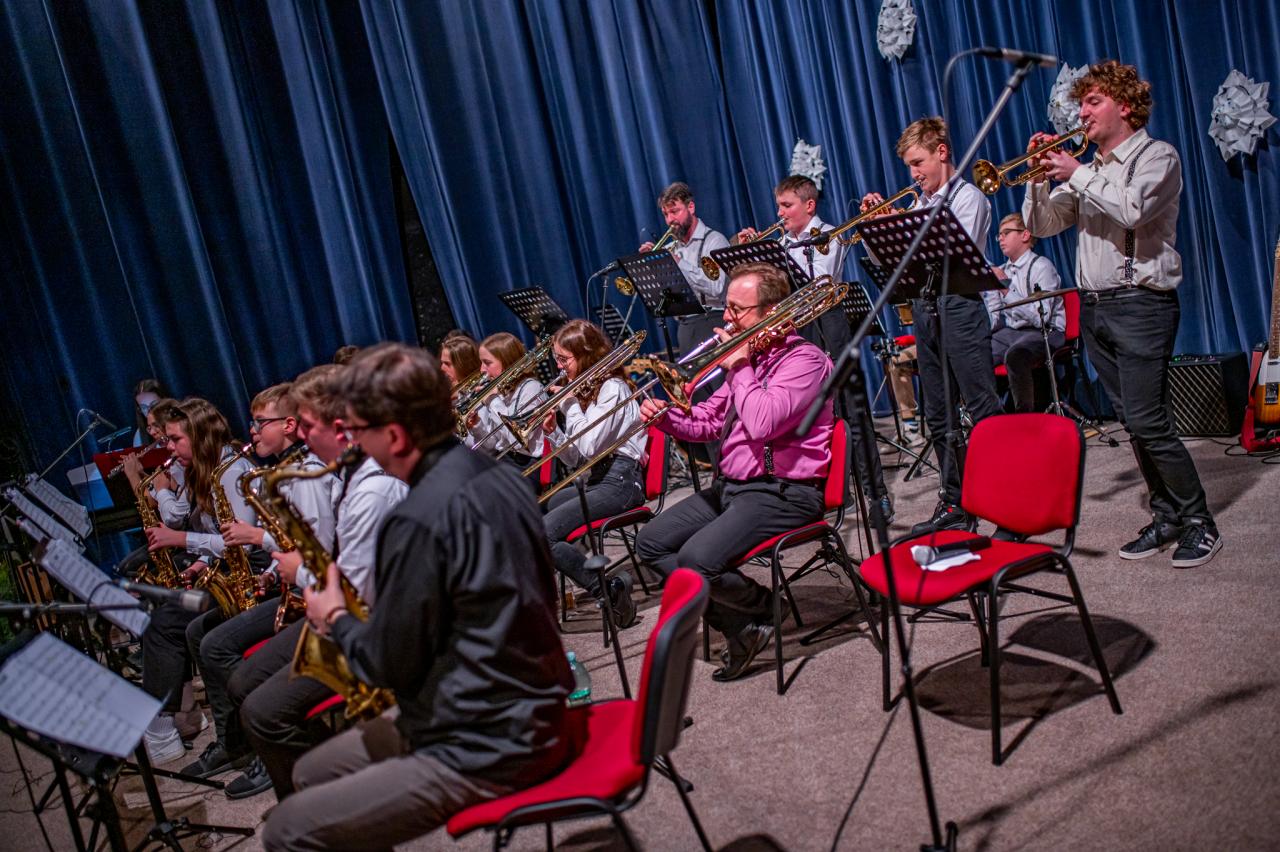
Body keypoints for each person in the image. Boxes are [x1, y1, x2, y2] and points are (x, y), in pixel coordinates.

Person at [261, 343, 576, 851]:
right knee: (310, 771)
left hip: (488, 742)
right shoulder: (498, 474)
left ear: (395, 435)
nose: (351, 440)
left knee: (286, 828)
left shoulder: (416, 519)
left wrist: (335, 614)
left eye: (358, 429)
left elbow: (383, 665)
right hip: (532, 705)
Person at [1023, 59, 1221, 568]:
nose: (1082, 114)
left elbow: (1132, 209)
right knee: (1132, 422)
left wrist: (1077, 173)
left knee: (1150, 420)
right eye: (1081, 104)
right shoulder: (1089, 171)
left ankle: (1199, 520)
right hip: (1096, 307)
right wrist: (1037, 180)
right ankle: (1166, 515)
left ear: (1125, 106)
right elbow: (1042, 226)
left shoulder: (1158, 156)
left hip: (1141, 305)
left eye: (1094, 102)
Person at [635, 262, 834, 682]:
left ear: (771, 312)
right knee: (651, 543)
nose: (726, 318)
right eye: (727, 306)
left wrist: (740, 367)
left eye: (736, 309)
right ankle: (742, 624)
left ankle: (765, 607)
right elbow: (708, 421)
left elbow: (762, 422)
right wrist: (665, 417)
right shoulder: (750, 358)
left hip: (783, 491)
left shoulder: (805, 361)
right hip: (732, 488)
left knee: (695, 560)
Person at [226, 364, 407, 800]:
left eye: (307, 427)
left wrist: (300, 572)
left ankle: (322, 805)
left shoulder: (373, 491)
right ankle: (326, 774)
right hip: (351, 611)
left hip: (374, 626)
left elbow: (356, 588)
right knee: (241, 684)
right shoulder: (349, 476)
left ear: (340, 428)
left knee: (262, 712)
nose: (302, 438)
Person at [178, 381, 337, 797]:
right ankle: (260, 741)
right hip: (296, 584)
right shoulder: (283, 473)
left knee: (219, 649)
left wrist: (261, 541)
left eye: (260, 422)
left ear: (290, 424)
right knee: (210, 644)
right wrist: (275, 565)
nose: (251, 430)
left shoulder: (306, 475)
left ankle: (276, 744)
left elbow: (319, 553)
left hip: (325, 599)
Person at [862, 116, 999, 533]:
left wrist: (903, 228)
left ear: (942, 152)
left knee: (982, 407)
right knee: (938, 413)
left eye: (918, 163)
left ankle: (1003, 497)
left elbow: (950, 254)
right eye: (909, 166)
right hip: (925, 307)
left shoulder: (968, 197)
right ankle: (955, 499)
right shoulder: (918, 205)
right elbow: (894, 260)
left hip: (960, 305)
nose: (914, 174)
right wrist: (876, 229)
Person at [742, 175, 892, 521]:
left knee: (851, 412)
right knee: (810, 414)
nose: (780, 213)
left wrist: (779, 260)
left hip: (829, 323)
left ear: (809, 205)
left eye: (787, 205)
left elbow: (819, 281)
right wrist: (757, 258)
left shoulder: (830, 236)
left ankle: (876, 494)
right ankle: (833, 490)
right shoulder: (780, 244)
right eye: (778, 206)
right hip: (799, 328)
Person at [138, 397, 258, 763]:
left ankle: (168, 726)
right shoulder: (203, 470)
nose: (170, 448)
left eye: (176, 439)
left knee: (171, 624)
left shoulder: (232, 472)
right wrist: (197, 566)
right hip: (223, 571)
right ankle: (224, 735)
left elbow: (243, 542)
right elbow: (215, 535)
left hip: (253, 573)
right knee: (176, 621)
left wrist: (181, 540)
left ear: (200, 436)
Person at [540, 319, 644, 628]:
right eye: (556, 358)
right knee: (545, 506)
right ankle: (582, 577)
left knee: (543, 534)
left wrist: (569, 405)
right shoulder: (590, 390)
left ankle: (608, 591)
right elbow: (577, 458)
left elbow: (588, 445)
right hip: (599, 477)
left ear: (585, 355)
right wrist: (555, 433)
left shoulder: (613, 388)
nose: (559, 367)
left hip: (622, 481)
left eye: (564, 359)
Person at [639, 182, 731, 357]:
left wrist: (678, 263)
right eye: (666, 214)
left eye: (675, 212)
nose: (670, 220)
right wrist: (654, 266)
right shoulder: (672, 248)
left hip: (711, 322)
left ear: (691, 207)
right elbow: (665, 298)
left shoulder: (714, 240)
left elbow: (716, 288)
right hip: (684, 327)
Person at [988, 212, 1065, 413]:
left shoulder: (1041, 266)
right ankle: (991, 417)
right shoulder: (1003, 270)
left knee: (1016, 354)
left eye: (1006, 233)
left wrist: (1005, 288)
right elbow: (995, 317)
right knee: (976, 353)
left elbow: (1041, 318)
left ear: (1025, 235)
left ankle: (1026, 417)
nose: (1000, 239)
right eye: (999, 235)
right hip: (1012, 332)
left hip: (1045, 332)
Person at [465, 332, 546, 466]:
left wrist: (493, 401)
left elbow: (516, 442)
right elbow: (492, 444)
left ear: (507, 361)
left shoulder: (531, 388)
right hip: (506, 459)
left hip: (529, 463)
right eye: (481, 363)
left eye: (487, 363)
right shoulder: (502, 390)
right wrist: (477, 426)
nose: (482, 369)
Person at [131, 378, 170, 446]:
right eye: (144, 407)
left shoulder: (180, 424)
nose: (149, 411)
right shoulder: (139, 436)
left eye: (154, 404)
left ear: (165, 400)